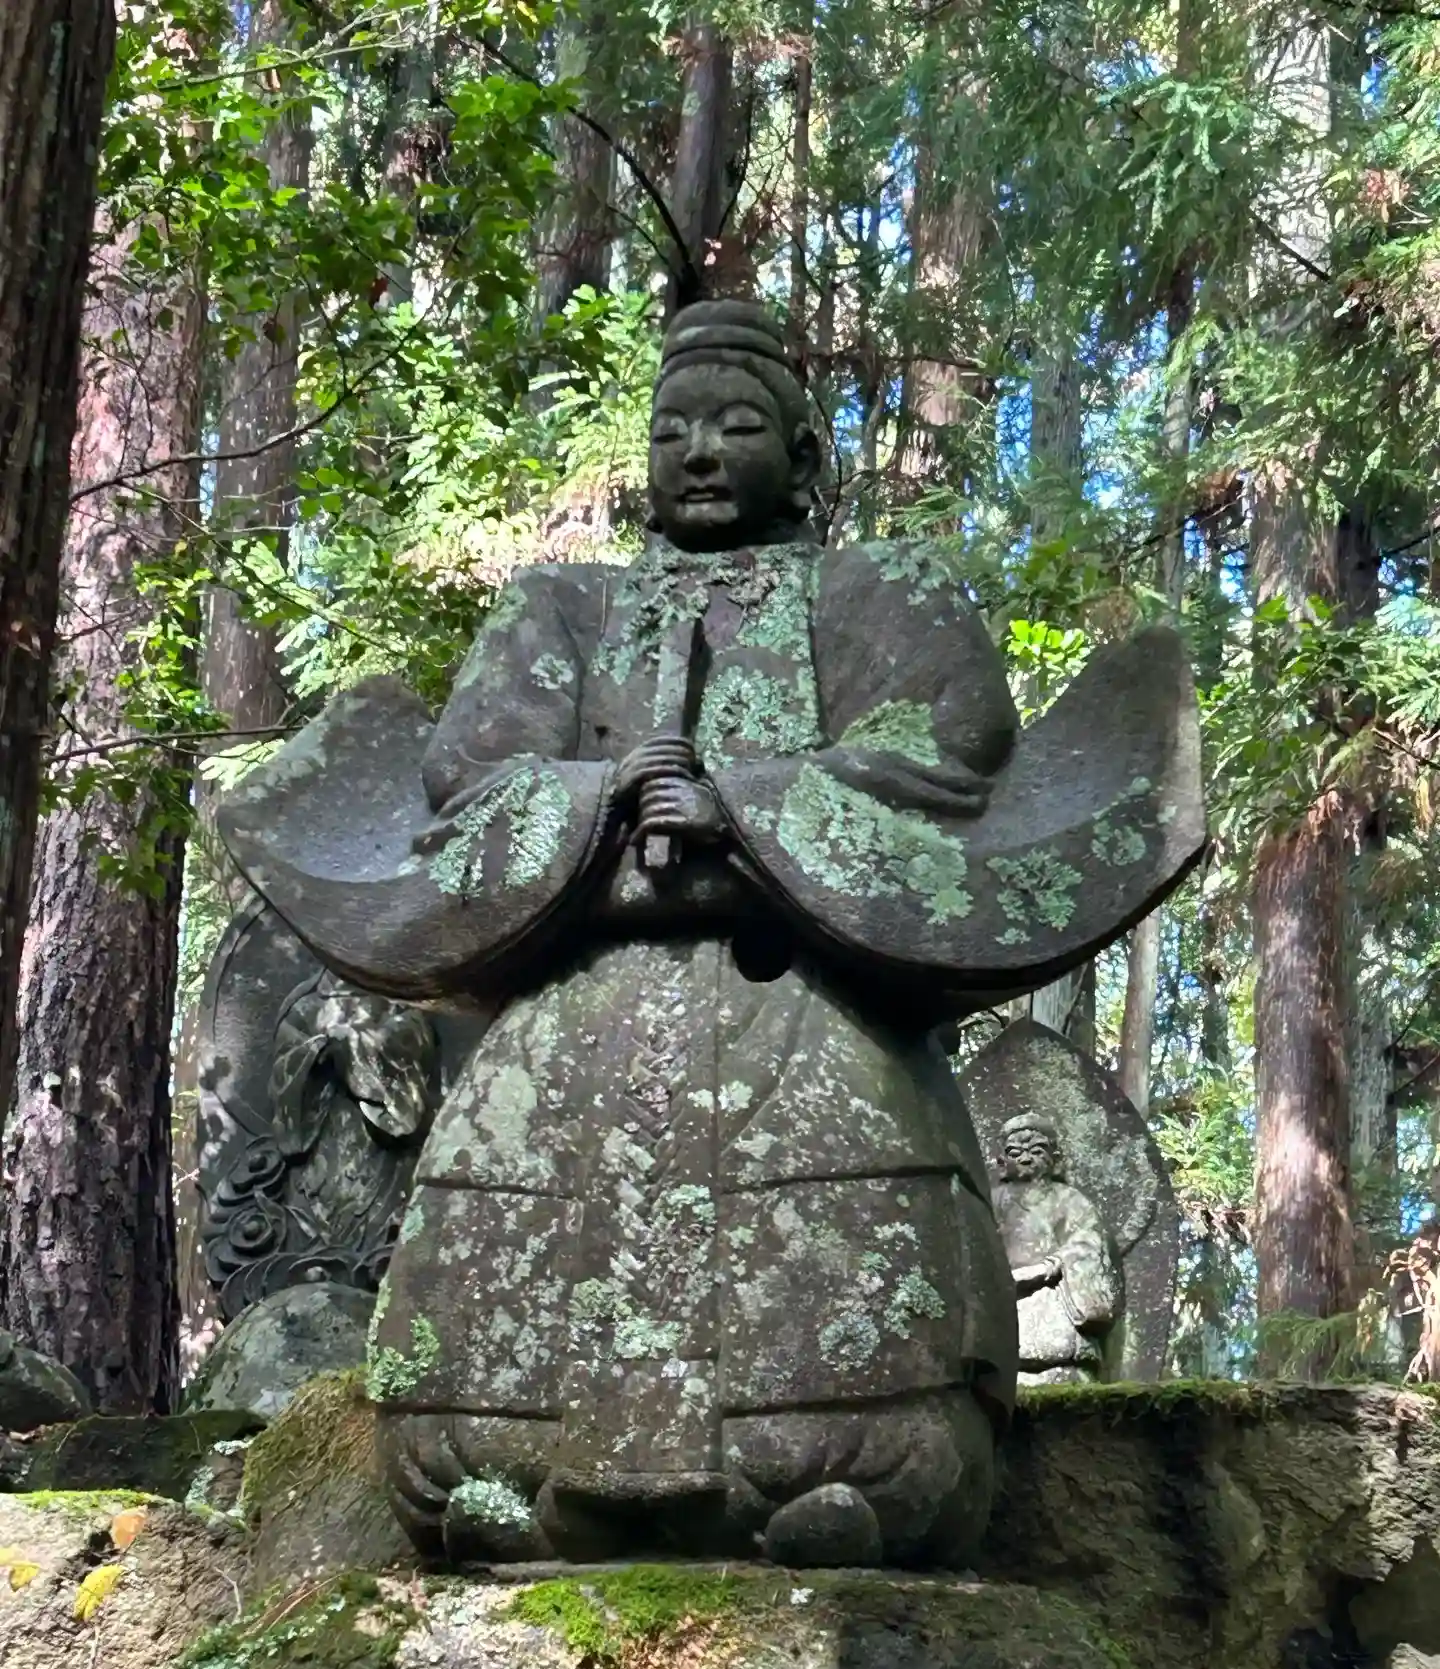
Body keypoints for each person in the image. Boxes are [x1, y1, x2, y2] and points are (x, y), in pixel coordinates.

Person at [219, 299, 1201, 1566]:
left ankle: (836, 1478)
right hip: (575, 1025)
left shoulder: (884, 590)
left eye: (735, 426)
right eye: (671, 429)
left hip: (811, 1015)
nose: (696, 452)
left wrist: (738, 803)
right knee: (494, 1276)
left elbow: (949, 747)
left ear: (804, 457)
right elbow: (470, 771)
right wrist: (611, 796)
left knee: (852, 1283)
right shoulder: (561, 607)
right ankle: (510, 1471)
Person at [992, 1113, 1119, 1383]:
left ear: (1056, 1159)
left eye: (1037, 1151)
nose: (1026, 1159)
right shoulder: (993, 1202)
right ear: (1002, 1163)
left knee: (1065, 1369)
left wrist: (1046, 1268)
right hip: (1005, 1297)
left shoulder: (1070, 1200)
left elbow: (1089, 1244)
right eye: (1016, 1153)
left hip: (1055, 1296)